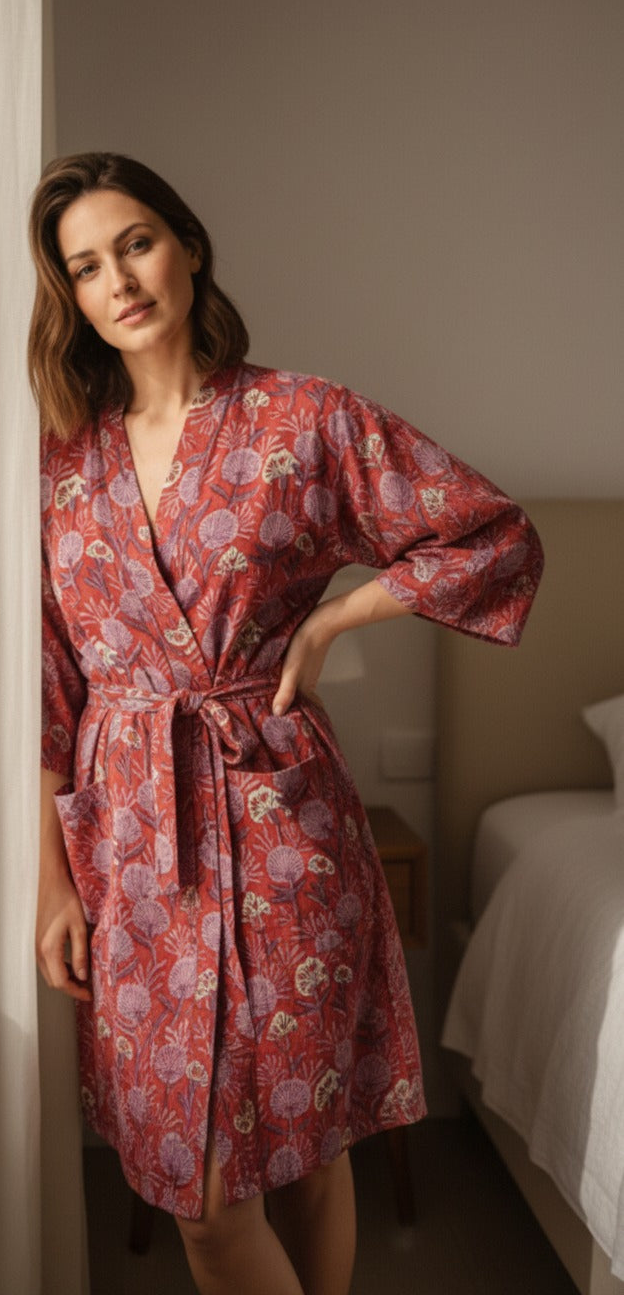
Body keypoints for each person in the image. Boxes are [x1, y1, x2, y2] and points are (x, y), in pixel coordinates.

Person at [30, 152, 543, 1295]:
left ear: (188, 245)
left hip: (284, 827)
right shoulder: (63, 465)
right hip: (132, 852)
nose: (118, 278)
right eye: (84, 266)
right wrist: (50, 877)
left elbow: (492, 536)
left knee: (310, 1155)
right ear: (66, 296)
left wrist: (337, 622)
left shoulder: (302, 419)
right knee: (204, 1201)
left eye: (137, 243)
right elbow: (52, 681)